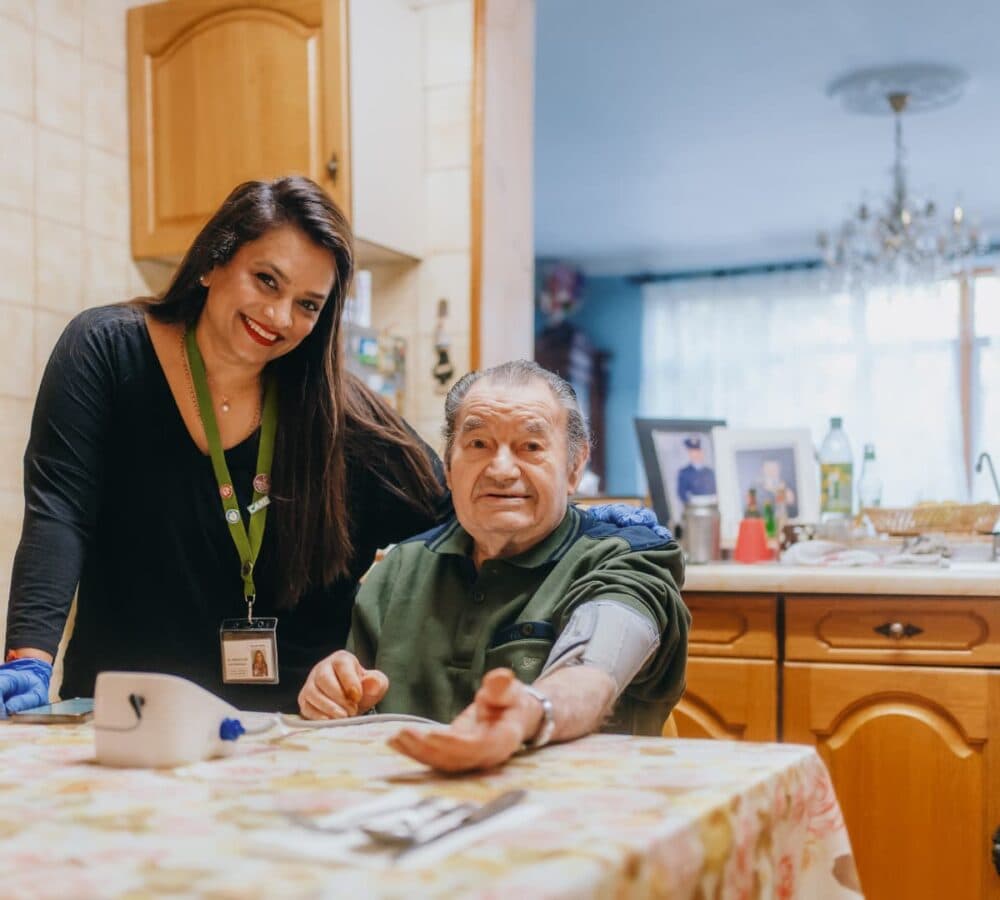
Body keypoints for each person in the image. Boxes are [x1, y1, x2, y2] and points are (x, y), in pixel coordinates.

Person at [0, 177, 449, 716]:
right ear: (212, 264)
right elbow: (59, 515)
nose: (280, 317)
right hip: (127, 721)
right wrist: (30, 658)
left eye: (308, 305)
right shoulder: (106, 351)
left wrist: (379, 646)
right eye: (266, 280)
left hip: (293, 735)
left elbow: (454, 521)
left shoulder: (341, 415)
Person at [298, 360, 689, 773]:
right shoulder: (400, 567)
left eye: (531, 447)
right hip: (416, 817)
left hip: (576, 816)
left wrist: (530, 712)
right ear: (448, 467)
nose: (501, 470)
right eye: (479, 444)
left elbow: (594, 669)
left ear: (575, 468)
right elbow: (355, 706)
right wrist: (332, 689)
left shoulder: (629, 555)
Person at [676, 436, 717, 505]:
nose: (695, 455)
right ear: (689, 454)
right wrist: (689, 503)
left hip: (712, 506)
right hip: (695, 507)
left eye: (697, 452)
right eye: (692, 452)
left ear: (701, 453)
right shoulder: (684, 472)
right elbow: (681, 493)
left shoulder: (710, 472)